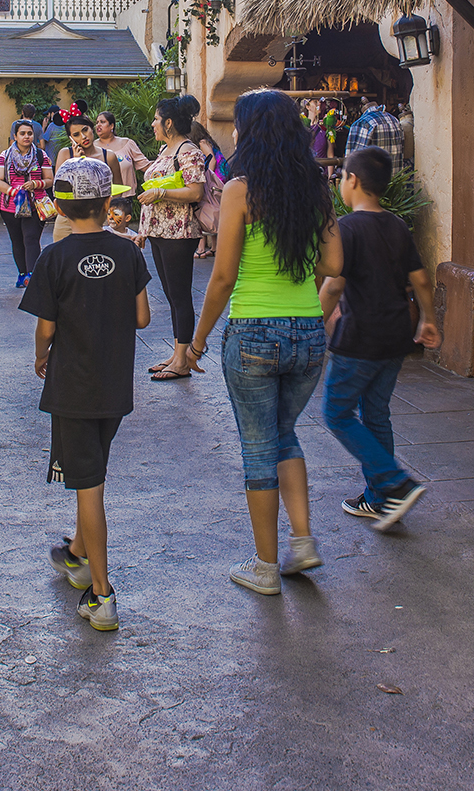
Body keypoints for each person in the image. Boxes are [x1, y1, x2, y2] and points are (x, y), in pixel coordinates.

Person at [182, 88, 342, 597]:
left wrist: (197, 341)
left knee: (257, 448)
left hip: (253, 332)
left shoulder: (240, 190)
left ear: (250, 131)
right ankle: (301, 541)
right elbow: (334, 265)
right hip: (308, 332)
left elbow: (224, 275)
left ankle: (266, 566)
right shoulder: (314, 189)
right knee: (284, 435)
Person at [25, 156, 151, 633]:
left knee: (89, 489)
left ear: (60, 204)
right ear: (106, 203)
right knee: (93, 469)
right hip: (114, 384)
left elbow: (45, 327)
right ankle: (77, 552)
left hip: (72, 386)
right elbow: (142, 319)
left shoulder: (53, 258)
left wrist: (41, 355)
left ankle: (102, 593)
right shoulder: (128, 252)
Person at [320, 147, 440, 530]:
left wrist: (314, 324)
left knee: (336, 413)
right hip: (395, 336)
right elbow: (420, 278)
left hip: (360, 338)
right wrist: (427, 319)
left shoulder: (348, 228)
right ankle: (379, 499)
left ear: (352, 181)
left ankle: (394, 483)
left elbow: (334, 286)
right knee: (376, 413)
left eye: (341, 177)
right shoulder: (395, 226)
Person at [138, 96, 206, 380]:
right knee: (171, 294)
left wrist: (160, 193)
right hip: (159, 231)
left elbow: (195, 192)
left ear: (168, 122)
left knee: (179, 295)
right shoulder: (167, 149)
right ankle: (178, 353)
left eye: (156, 119)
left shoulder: (188, 151)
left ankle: (183, 359)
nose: (152, 123)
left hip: (179, 232)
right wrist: (143, 231)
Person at [0, 119, 53, 287]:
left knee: (31, 238)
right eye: (22, 134)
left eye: (29, 133)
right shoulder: (5, 156)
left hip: (35, 206)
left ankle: (33, 276)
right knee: (17, 240)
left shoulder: (41, 155)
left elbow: (49, 179)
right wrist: (15, 191)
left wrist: (36, 184)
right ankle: (22, 274)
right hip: (10, 206)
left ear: (33, 135)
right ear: (15, 136)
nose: (26, 137)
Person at [50, 115, 122, 244]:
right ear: (71, 138)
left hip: (99, 215)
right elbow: (59, 188)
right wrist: (76, 162)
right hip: (68, 217)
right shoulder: (66, 154)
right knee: (65, 255)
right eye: (76, 134)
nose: (83, 136)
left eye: (85, 130)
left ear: (92, 129)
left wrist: (111, 214)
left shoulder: (108, 156)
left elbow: (118, 189)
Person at [189, 121, 226, 260]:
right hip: (219, 178)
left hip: (213, 178)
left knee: (202, 209)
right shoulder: (207, 140)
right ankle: (215, 248)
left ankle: (201, 248)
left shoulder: (202, 142)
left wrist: (206, 178)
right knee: (215, 209)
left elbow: (211, 159)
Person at [95, 111, 148, 192]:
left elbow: (145, 166)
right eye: (97, 122)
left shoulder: (127, 143)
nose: (98, 125)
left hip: (126, 198)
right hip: (101, 199)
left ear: (111, 126)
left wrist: (164, 162)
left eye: (102, 122)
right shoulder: (92, 147)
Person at [345, 97, 405, 166]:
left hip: (374, 176)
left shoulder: (363, 123)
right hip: (397, 175)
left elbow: (353, 162)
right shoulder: (394, 120)